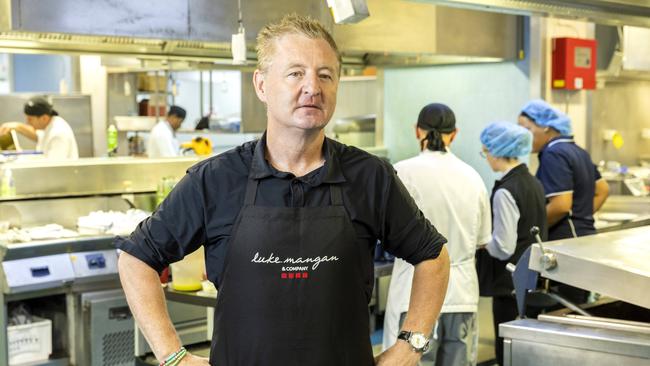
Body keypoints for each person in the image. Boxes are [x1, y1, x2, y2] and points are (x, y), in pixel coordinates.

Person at [116, 14, 450, 366]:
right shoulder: (216, 179)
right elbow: (136, 259)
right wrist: (173, 356)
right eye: (295, 73)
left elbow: (433, 256)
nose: (313, 87)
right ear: (261, 85)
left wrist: (411, 344)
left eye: (325, 75)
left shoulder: (370, 177)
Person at [383, 103, 491, 366]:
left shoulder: (401, 172)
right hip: (460, 297)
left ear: (417, 131)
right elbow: (482, 240)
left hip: (413, 295)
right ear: (454, 134)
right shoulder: (472, 177)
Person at [518, 99, 609, 304]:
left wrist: (533, 230)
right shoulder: (576, 150)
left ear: (545, 126)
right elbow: (603, 190)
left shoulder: (553, 154)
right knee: (580, 305)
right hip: (585, 240)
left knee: (565, 309)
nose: (522, 136)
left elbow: (560, 205)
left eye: (526, 129)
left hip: (568, 246)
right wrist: (582, 216)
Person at [476, 121, 547, 366]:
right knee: (527, 351)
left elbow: (504, 246)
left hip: (509, 285)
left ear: (497, 152)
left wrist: (484, 243)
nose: (486, 158)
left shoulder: (505, 191)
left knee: (507, 351)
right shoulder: (532, 182)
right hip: (531, 279)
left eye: (485, 152)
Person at [0, 97, 79, 159]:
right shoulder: (49, 125)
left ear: (44, 118)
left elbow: (53, 167)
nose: (27, 123)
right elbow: (37, 136)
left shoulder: (58, 134)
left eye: (30, 119)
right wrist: (17, 126)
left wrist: (23, 159)